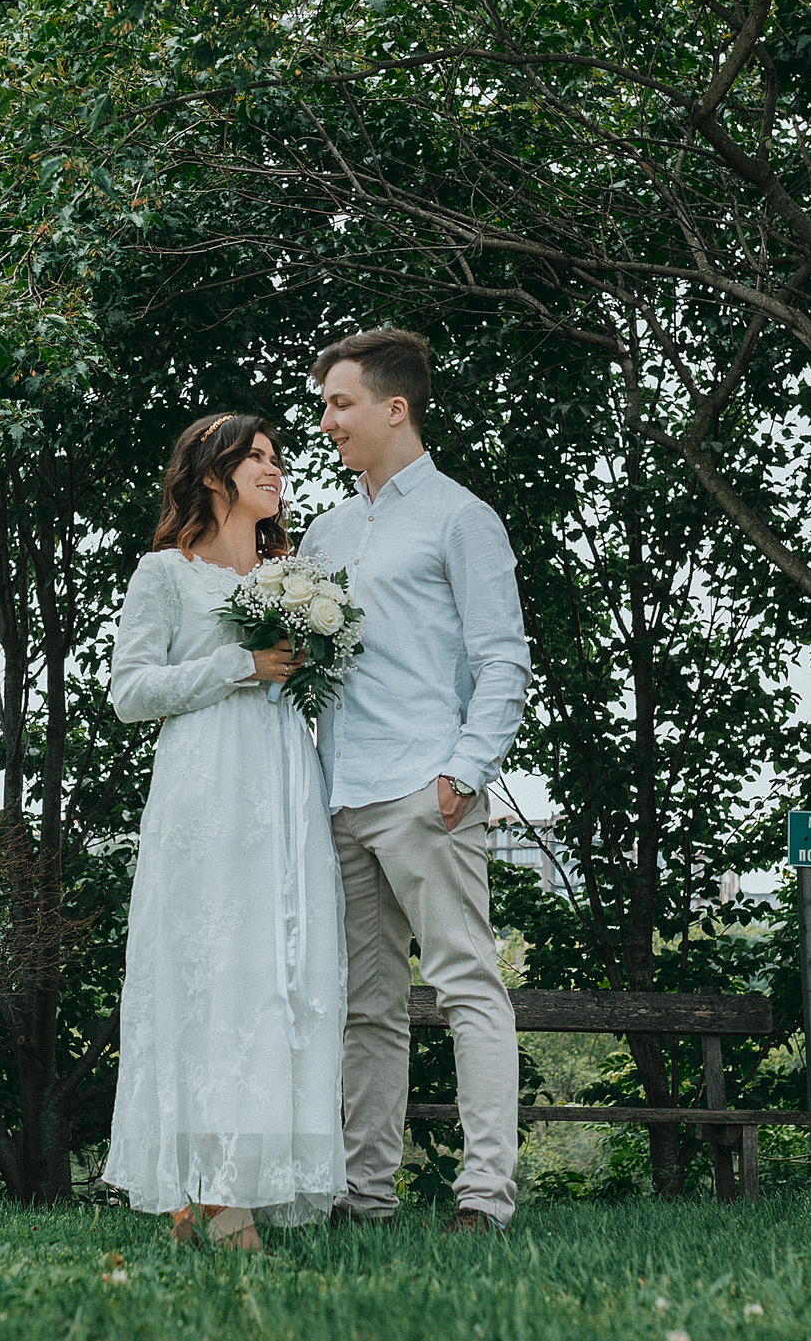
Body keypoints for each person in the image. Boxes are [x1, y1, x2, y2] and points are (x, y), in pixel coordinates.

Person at [301, 329, 532, 1236]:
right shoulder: (323, 532)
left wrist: (464, 772)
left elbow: (503, 660)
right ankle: (368, 1197)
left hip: (424, 792)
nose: (327, 423)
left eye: (340, 405)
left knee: (469, 986)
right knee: (368, 1008)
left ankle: (484, 1198)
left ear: (395, 408)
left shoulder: (460, 518)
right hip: (341, 795)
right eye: (325, 405)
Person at [102, 413, 346, 1250]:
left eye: (278, 458)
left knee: (273, 977)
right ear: (212, 474)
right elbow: (129, 692)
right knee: (208, 977)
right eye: (258, 458)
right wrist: (239, 665)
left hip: (282, 788)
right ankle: (209, 1195)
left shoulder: (296, 574)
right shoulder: (164, 574)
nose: (275, 470)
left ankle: (227, 1185)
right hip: (205, 791)